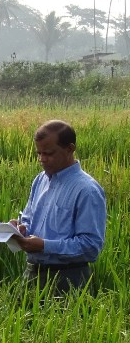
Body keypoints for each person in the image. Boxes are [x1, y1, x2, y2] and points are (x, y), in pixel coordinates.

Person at [10, 120, 106, 295]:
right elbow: (29, 220)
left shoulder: (87, 190)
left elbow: (91, 247)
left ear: (70, 149)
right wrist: (20, 230)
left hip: (68, 279)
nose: (42, 159)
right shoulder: (40, 180)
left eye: (48, 153)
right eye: (39, 153)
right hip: (32, 275)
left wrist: (45, 246)